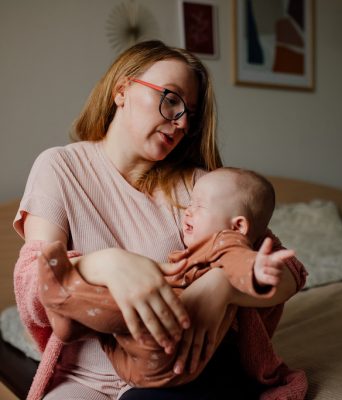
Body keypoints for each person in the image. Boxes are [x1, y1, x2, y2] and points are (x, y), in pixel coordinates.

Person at [13, 40, 307, 400]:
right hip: (86, 378)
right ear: (123, 90)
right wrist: (102, 264)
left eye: (191, 113)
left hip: (179, 374)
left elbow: (288, 269)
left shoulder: (199, 187)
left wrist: (221, 287)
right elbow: (34, 284)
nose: (182, 121)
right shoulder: (60, 168)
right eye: (171, 99)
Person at [36, 167, 296, 389]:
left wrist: (256, 270)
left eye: (199, 206)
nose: (188, 212)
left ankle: (69, 301)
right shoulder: (189, 254)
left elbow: (240, 260)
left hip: (177, 351)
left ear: (237, 226)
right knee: (118, 319)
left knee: (136, 309)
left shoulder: (226, 242)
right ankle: (73, 322)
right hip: (137, 365)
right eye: (189, 204)